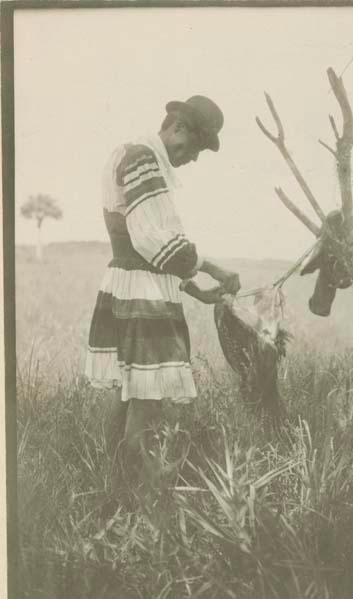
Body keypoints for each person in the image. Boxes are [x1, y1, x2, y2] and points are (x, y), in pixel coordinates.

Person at [85, 95, 241, 494]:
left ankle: (113, 488)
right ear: (178, 128)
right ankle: (147, 498)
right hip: (142, 295)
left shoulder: (139, 156)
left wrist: (198, 291)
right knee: (146, 402)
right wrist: (213, 266)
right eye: (195, 148)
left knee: (127, 392)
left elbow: (147, 249)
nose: (193, 159)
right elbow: (153, 240)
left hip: (133, 285)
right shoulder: (142, 158)